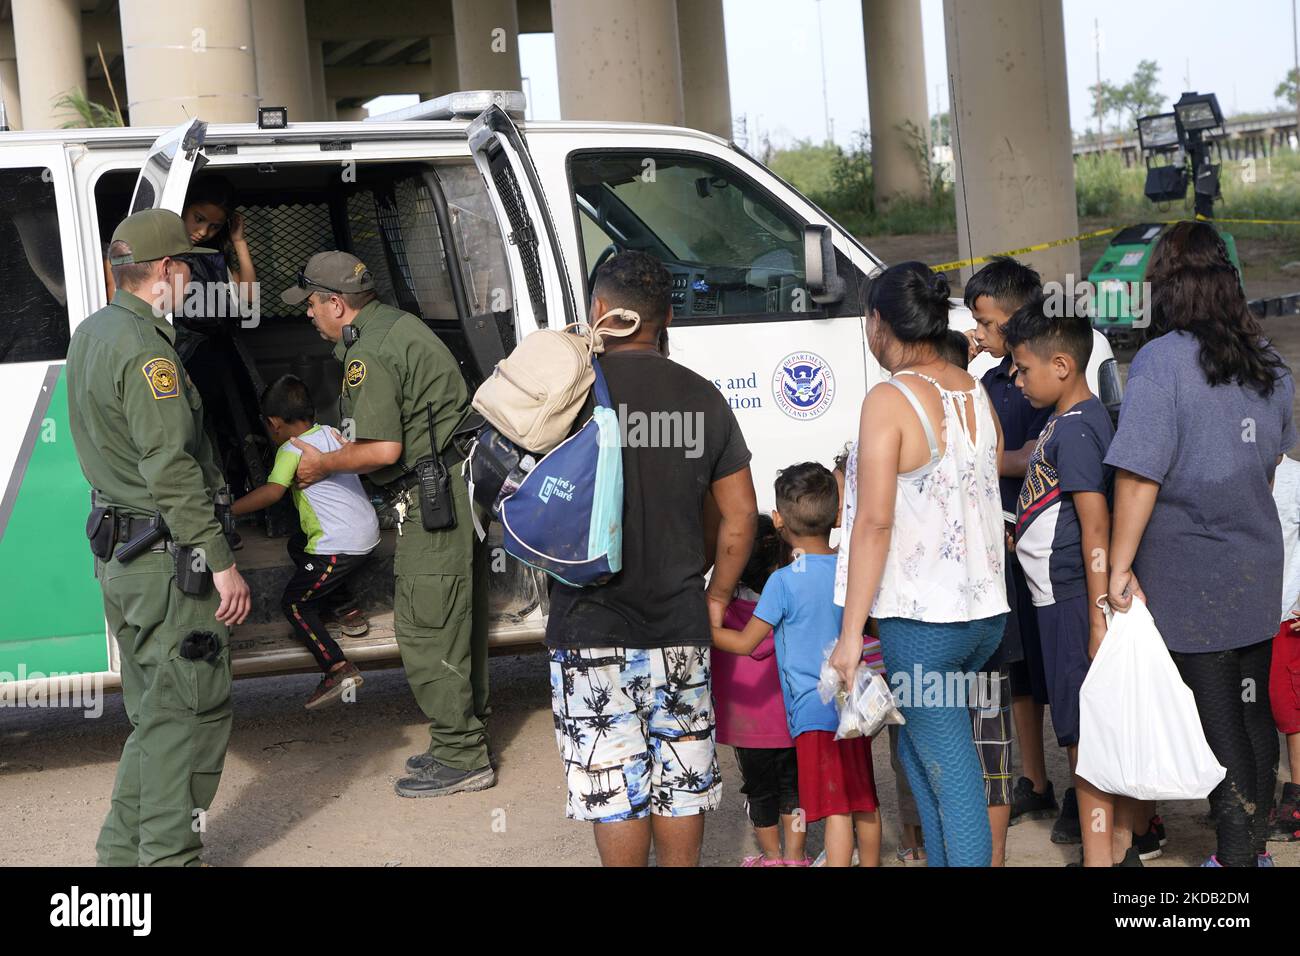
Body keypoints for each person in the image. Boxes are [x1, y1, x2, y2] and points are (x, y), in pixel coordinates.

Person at [545, 251, 757, 867]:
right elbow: (740, 515)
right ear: (666, 316)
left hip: (588, 627)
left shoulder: (572, 397)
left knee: (612, 786)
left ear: (600, 311)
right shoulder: (702, 397)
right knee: (682, 773)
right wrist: (716, 595)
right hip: (679, 625)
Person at [1106, 220, 1296, 868]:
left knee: (1218, 719)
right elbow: (1270, 464)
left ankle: (1238, 860)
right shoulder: (1267, 360)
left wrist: (1120, 565)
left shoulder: (1162, 361)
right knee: (1251, 713)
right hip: (1254, 562)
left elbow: (1137, 476)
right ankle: (1253, 852)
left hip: (1190, 568)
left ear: (1166, 286)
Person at [66, 208, 252, 866]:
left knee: (156, 720)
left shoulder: (95, 331)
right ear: (168, 270)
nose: (188, 280)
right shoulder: (149, 353)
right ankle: (168, 861)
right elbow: (172, 471)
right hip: (169, 566)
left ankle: (119, 863)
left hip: (124, 560)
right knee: (190, 720)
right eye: (187, 268)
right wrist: (222, 561)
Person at [282, 251, 492, 798]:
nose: (308, 315)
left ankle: (462, 755)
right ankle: (460, 741)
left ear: (336, 304)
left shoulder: (368, 351)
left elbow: (383, 448)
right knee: (454, 620)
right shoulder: (396, 324)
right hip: (448, 487)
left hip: (432, 499)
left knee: (427, 627)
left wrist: (321, 464)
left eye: (311, 304)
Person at [831, 260, 1009, 867]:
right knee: (917, 756)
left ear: (879, 322)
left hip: (924, 624)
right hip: (983, 616)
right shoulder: (973, 389)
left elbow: (874, 524)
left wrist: (851, 635)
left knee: (951, 775)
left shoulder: (889, 398)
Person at [1003, 301, 1142, 867]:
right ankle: (1116, 850)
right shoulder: (1062, 421)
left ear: (1061, 365)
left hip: (1072, 600)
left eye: (1022, 368)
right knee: (1082, 731)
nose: (1015, 379)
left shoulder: (1079, 428)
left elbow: (1095, 524)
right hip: (1055, 598)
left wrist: (1096, 613)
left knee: (1084, 738)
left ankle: (1103, 855)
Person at [714, 463, 881, 867]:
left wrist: (702, 626)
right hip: (856, 704)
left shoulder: (784, 581)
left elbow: (744, 642)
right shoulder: (851, 570)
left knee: (836, 805)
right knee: (865, 799)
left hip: (812, 713)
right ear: (838, 515)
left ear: (779, 519)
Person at [964, 256, 1067, 839]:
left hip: (1050, 543)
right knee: (1020, 666)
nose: (978, 333)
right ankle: (1035, 780)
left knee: (1059, 664)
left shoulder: (1046, 372)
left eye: (984, 322)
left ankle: (1082, 784)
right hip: (1001, 542)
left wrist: (1001, 459)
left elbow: (1040, 455)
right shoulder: (986, 383)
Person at [231, 374, 378, 709]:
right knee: (297, 545)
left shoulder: (290, 449)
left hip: (339, 545)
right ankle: (346, 608)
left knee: (295, 604)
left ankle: (337, 667)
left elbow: (272, 493)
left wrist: (228, 510)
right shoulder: (329, 433)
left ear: (273, 423)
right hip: (364, 534)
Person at [712, 515, 805, 866]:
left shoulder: (718, 612)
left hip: (745, 724)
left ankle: (772, 857)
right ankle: (797, 856)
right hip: (790, 719)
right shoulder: (788, 599)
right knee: (794, 791)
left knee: (760, 792)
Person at [1272, 455, 1300, 844]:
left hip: (1286, 612)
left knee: (1290, 706)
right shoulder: (1234, 467)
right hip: (1241, 615)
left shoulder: (1295, 478)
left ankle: (1296, 797)